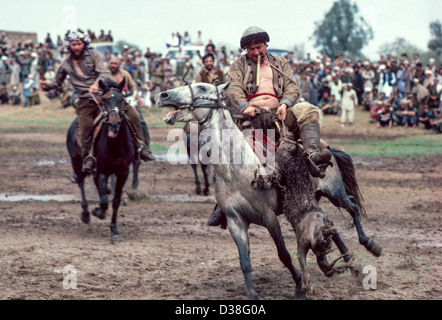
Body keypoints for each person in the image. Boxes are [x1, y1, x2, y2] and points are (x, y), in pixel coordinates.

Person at [208, 26, 332, 227]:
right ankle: (222, 205)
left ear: (266, 44)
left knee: (308, 109)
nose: (256, 52)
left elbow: (292, 87)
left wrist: (285, 103)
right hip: (251, 116)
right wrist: (245, 106)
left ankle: (313, 154)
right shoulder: (238, 66)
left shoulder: (280, 63)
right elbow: (233, 89)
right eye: (251, 49)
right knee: (229, 153)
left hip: (279, 114)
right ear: (245, 50)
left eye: (259, 47)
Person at [41, 31, 154, 173]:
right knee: (86, 126)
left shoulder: (94, 55)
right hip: (85, 101)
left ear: (84, 44)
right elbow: (57, 82)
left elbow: (103, 73)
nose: (76, 47)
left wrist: (96, 84)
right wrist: (47, 85)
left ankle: (141, 147)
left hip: (106, 96)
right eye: (73, 44)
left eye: (79, 44)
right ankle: (89, 157)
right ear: (69, 46)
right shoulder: (65, 64)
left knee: (134, 116)